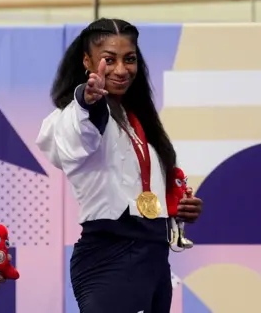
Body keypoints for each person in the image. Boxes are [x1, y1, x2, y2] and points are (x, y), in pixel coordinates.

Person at [35, 18, 203, 313]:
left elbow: (135, 187)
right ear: (88, 61)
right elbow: (77, 138)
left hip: (154, 259)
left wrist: (175, 210)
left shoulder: (137, 119)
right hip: (110, 255)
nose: (121, 70)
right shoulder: (76, 114)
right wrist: (87, 101)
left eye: (130, 59)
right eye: (109, 60)